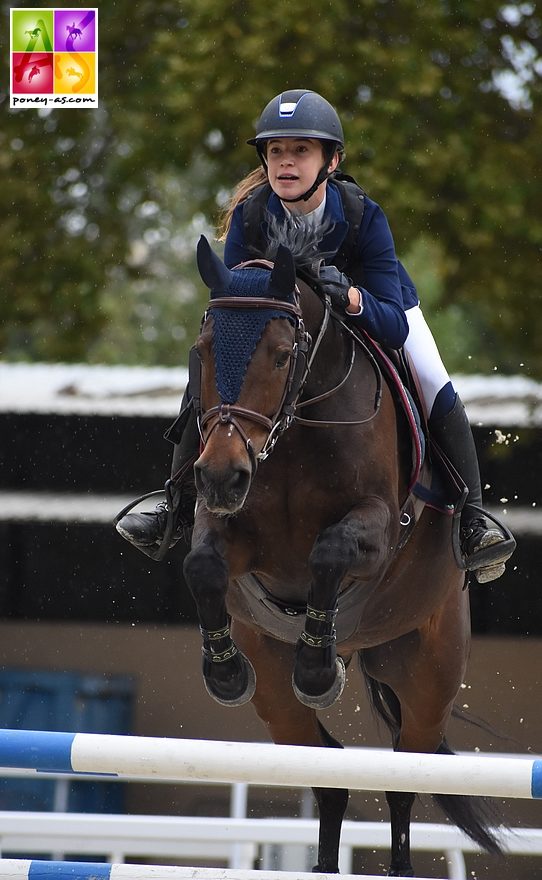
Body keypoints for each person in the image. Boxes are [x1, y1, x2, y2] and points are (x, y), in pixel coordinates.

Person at [116, 89, 515, 583]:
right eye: (276, 151)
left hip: (372, 311)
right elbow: (239, 303)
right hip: (284, 328)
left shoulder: (363, 214)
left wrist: (351, 298)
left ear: (331, 159)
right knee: (209, 368)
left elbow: (391, 321)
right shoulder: (252, 214)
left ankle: (473, 516)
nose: (286, 163)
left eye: (300, 150)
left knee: (432, 378)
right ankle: (175, 506)